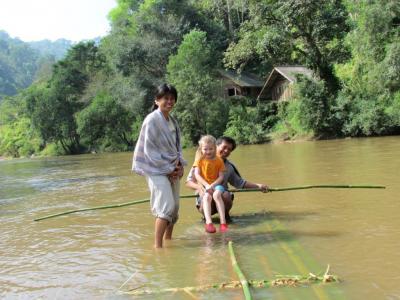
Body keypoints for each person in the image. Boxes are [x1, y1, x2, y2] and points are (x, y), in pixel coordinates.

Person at [132, 83, 185, 248]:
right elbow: (150, 150)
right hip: (155, 169)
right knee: (166, 207)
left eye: (172, 99)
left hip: (172, 168)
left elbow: (176, 148)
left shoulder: (172, 121)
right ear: (157, 100)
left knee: (175, 208)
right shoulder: (152, 120)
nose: (169, 101)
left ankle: (168, 240)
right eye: (165, 98)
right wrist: (169, 169)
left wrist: (179, 166)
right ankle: (158, 247)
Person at [186, 136, 268, 221]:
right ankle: (208, 221)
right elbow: (189, 182)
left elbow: (240, 183)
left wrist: (258, 186)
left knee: (225, 195)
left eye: (229, 149)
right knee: (207, 197)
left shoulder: (229, 166)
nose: (226, 151)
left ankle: (224, 220)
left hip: (222, 197)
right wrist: (200, 188)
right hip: (205, 198)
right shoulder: (200, 161)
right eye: (224, 147)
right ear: (215, 146)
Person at [193, 135, 228, 233]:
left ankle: (223, 222)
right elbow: (196, 174)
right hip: (205, 186)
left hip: (217, 185)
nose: (208, 151)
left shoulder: (219, 160)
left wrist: (212, 185)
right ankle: (209, 223)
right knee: (206, 197)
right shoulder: (199, 160)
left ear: (215, 148)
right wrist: (206, 185)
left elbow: (221, 177)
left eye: (211, 149)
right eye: (205, 149)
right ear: (201, 149)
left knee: (217, 195)